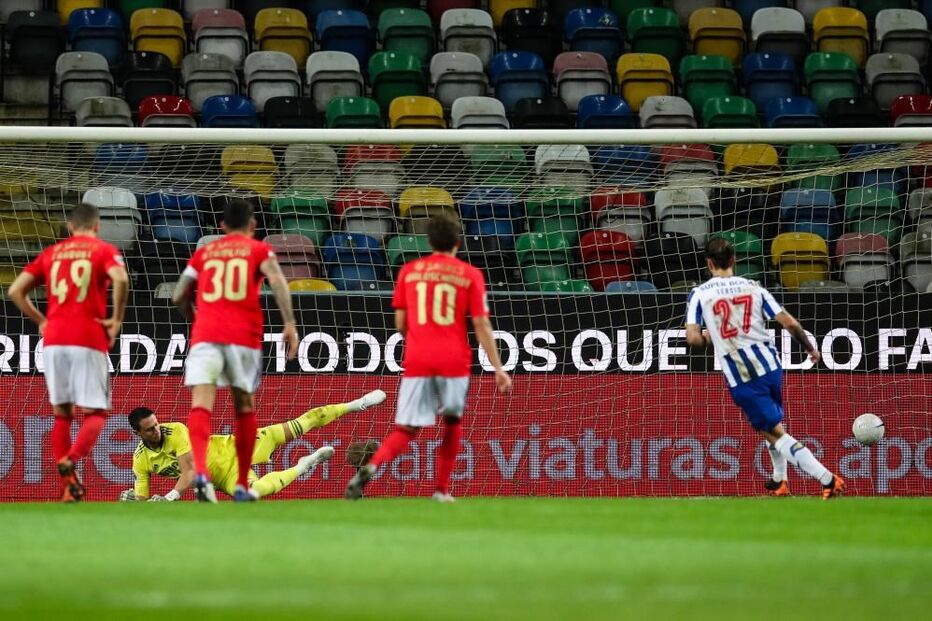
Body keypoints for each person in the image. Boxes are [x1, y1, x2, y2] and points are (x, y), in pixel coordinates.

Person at [345, 215, 512, 502]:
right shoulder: (469, 274)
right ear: (458, 243)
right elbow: (481, 325)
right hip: (453, 360)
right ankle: (441, 490)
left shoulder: (410, 271)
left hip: (419, 358)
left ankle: (371, 466)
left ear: (430, 242)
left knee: (406, 429)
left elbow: (400, 322)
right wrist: (498, 368)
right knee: (452, 424)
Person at [684, 237, 845, 499]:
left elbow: (692, 339)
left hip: (743, 374)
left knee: (774, 432)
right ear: (734, 261)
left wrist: (709, 336)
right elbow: (788, 321)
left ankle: (827, 479)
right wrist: (810, 348)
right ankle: (779, 480)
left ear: (708, 263)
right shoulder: (754, 287)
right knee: (772, 425)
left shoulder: (700, 293)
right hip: (771, 366)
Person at [173, 199, 299, 503]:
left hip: (206, 337)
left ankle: (201, 472)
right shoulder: (258, 250)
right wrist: (290, 323)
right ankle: (242, 483)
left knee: (201, 405)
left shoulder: (204, 253)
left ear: (222, 227)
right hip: (243, 337)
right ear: (253, 225)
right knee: (244, 407)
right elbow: (278, 279)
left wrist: (196, 318)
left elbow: (179, 295)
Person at [7, 203, 129, 502]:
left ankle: (69, 488)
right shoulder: (103, 249)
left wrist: (41, 321)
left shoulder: (52, 254)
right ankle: (72, 458)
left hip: (54, 341)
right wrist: (116, 320)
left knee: (62, 414)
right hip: (87, 337)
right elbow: (122, 279)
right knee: (97, 412)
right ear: (96, 226)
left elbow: (14, 291)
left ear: (70, 228)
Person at [121, 389, 387, 501]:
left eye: (156, 424)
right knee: (253, 494)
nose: (156, 430)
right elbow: (144, 497)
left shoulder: (176, 430)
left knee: (305, 421)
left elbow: (190, 472)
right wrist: (136, 501)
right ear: (138, 433)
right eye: (150, 429)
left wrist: (169, 497)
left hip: (239, 447)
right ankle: (304, 466)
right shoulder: (141, 460)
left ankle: (356, 404)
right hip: (228, 476)